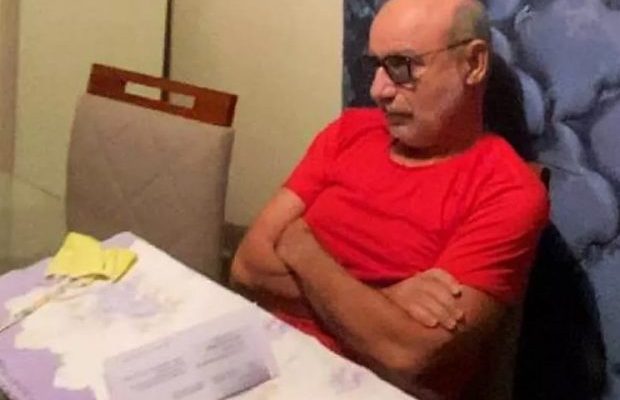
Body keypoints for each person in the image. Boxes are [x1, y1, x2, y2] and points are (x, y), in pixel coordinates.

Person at [230, 0, 549, 398]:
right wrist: (386, 302)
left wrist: (301, 247)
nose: (378, 90)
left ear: (473, 63)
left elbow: (407, 351)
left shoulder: (508, 190)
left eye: (402, 66)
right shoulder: (348, 133)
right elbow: (247, 267)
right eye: (376, 66)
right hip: (272, 361)